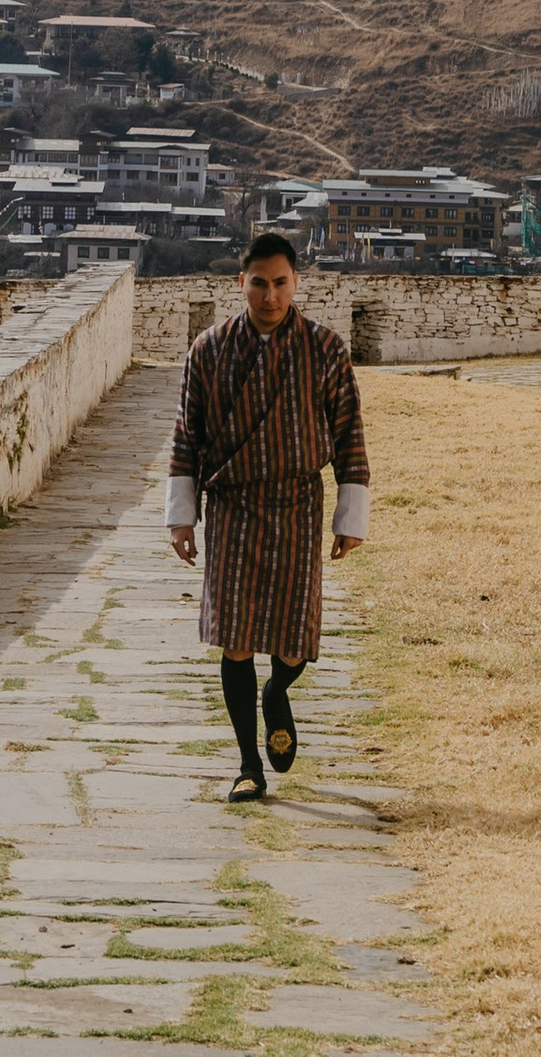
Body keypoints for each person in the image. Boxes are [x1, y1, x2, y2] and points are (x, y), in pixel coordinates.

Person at [167, 229, 368, 800]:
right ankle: (248, 765)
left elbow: (349, 435)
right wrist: (182, 517)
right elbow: (187, 435)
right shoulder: (208, 349)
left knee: (294, 636)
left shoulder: (326, 349)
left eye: (281, 284)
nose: (271, 296)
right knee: (234, 636)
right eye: (260, 284)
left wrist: (350, 516)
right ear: (241, 284)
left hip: (297, 505)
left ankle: (278, 690)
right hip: (233, 504)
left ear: (296, 283)